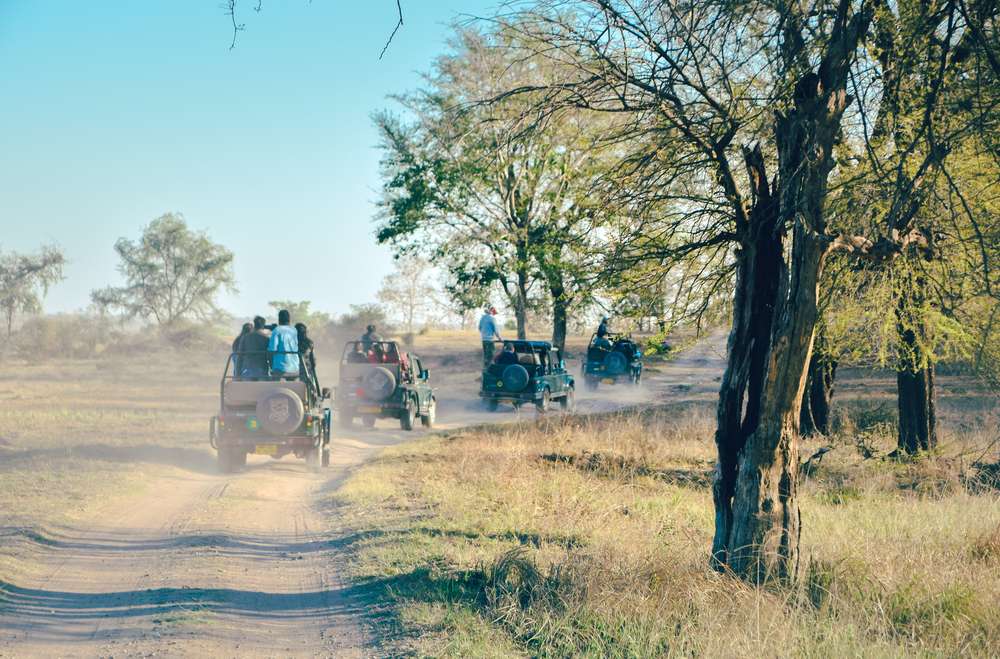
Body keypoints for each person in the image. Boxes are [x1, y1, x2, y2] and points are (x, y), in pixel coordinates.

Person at [268, 309, 300, 378]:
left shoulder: (276, 330)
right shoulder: (294, 330)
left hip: (280, 369)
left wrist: (271, 365)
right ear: (289, 319)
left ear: (279, 319)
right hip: (294, 367)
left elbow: (272, 349)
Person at [296, 322, 318, 395]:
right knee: (312, 391)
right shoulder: (309, 343)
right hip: (307, 372)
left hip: (294, 372)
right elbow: (313, 362)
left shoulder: (292, 343)